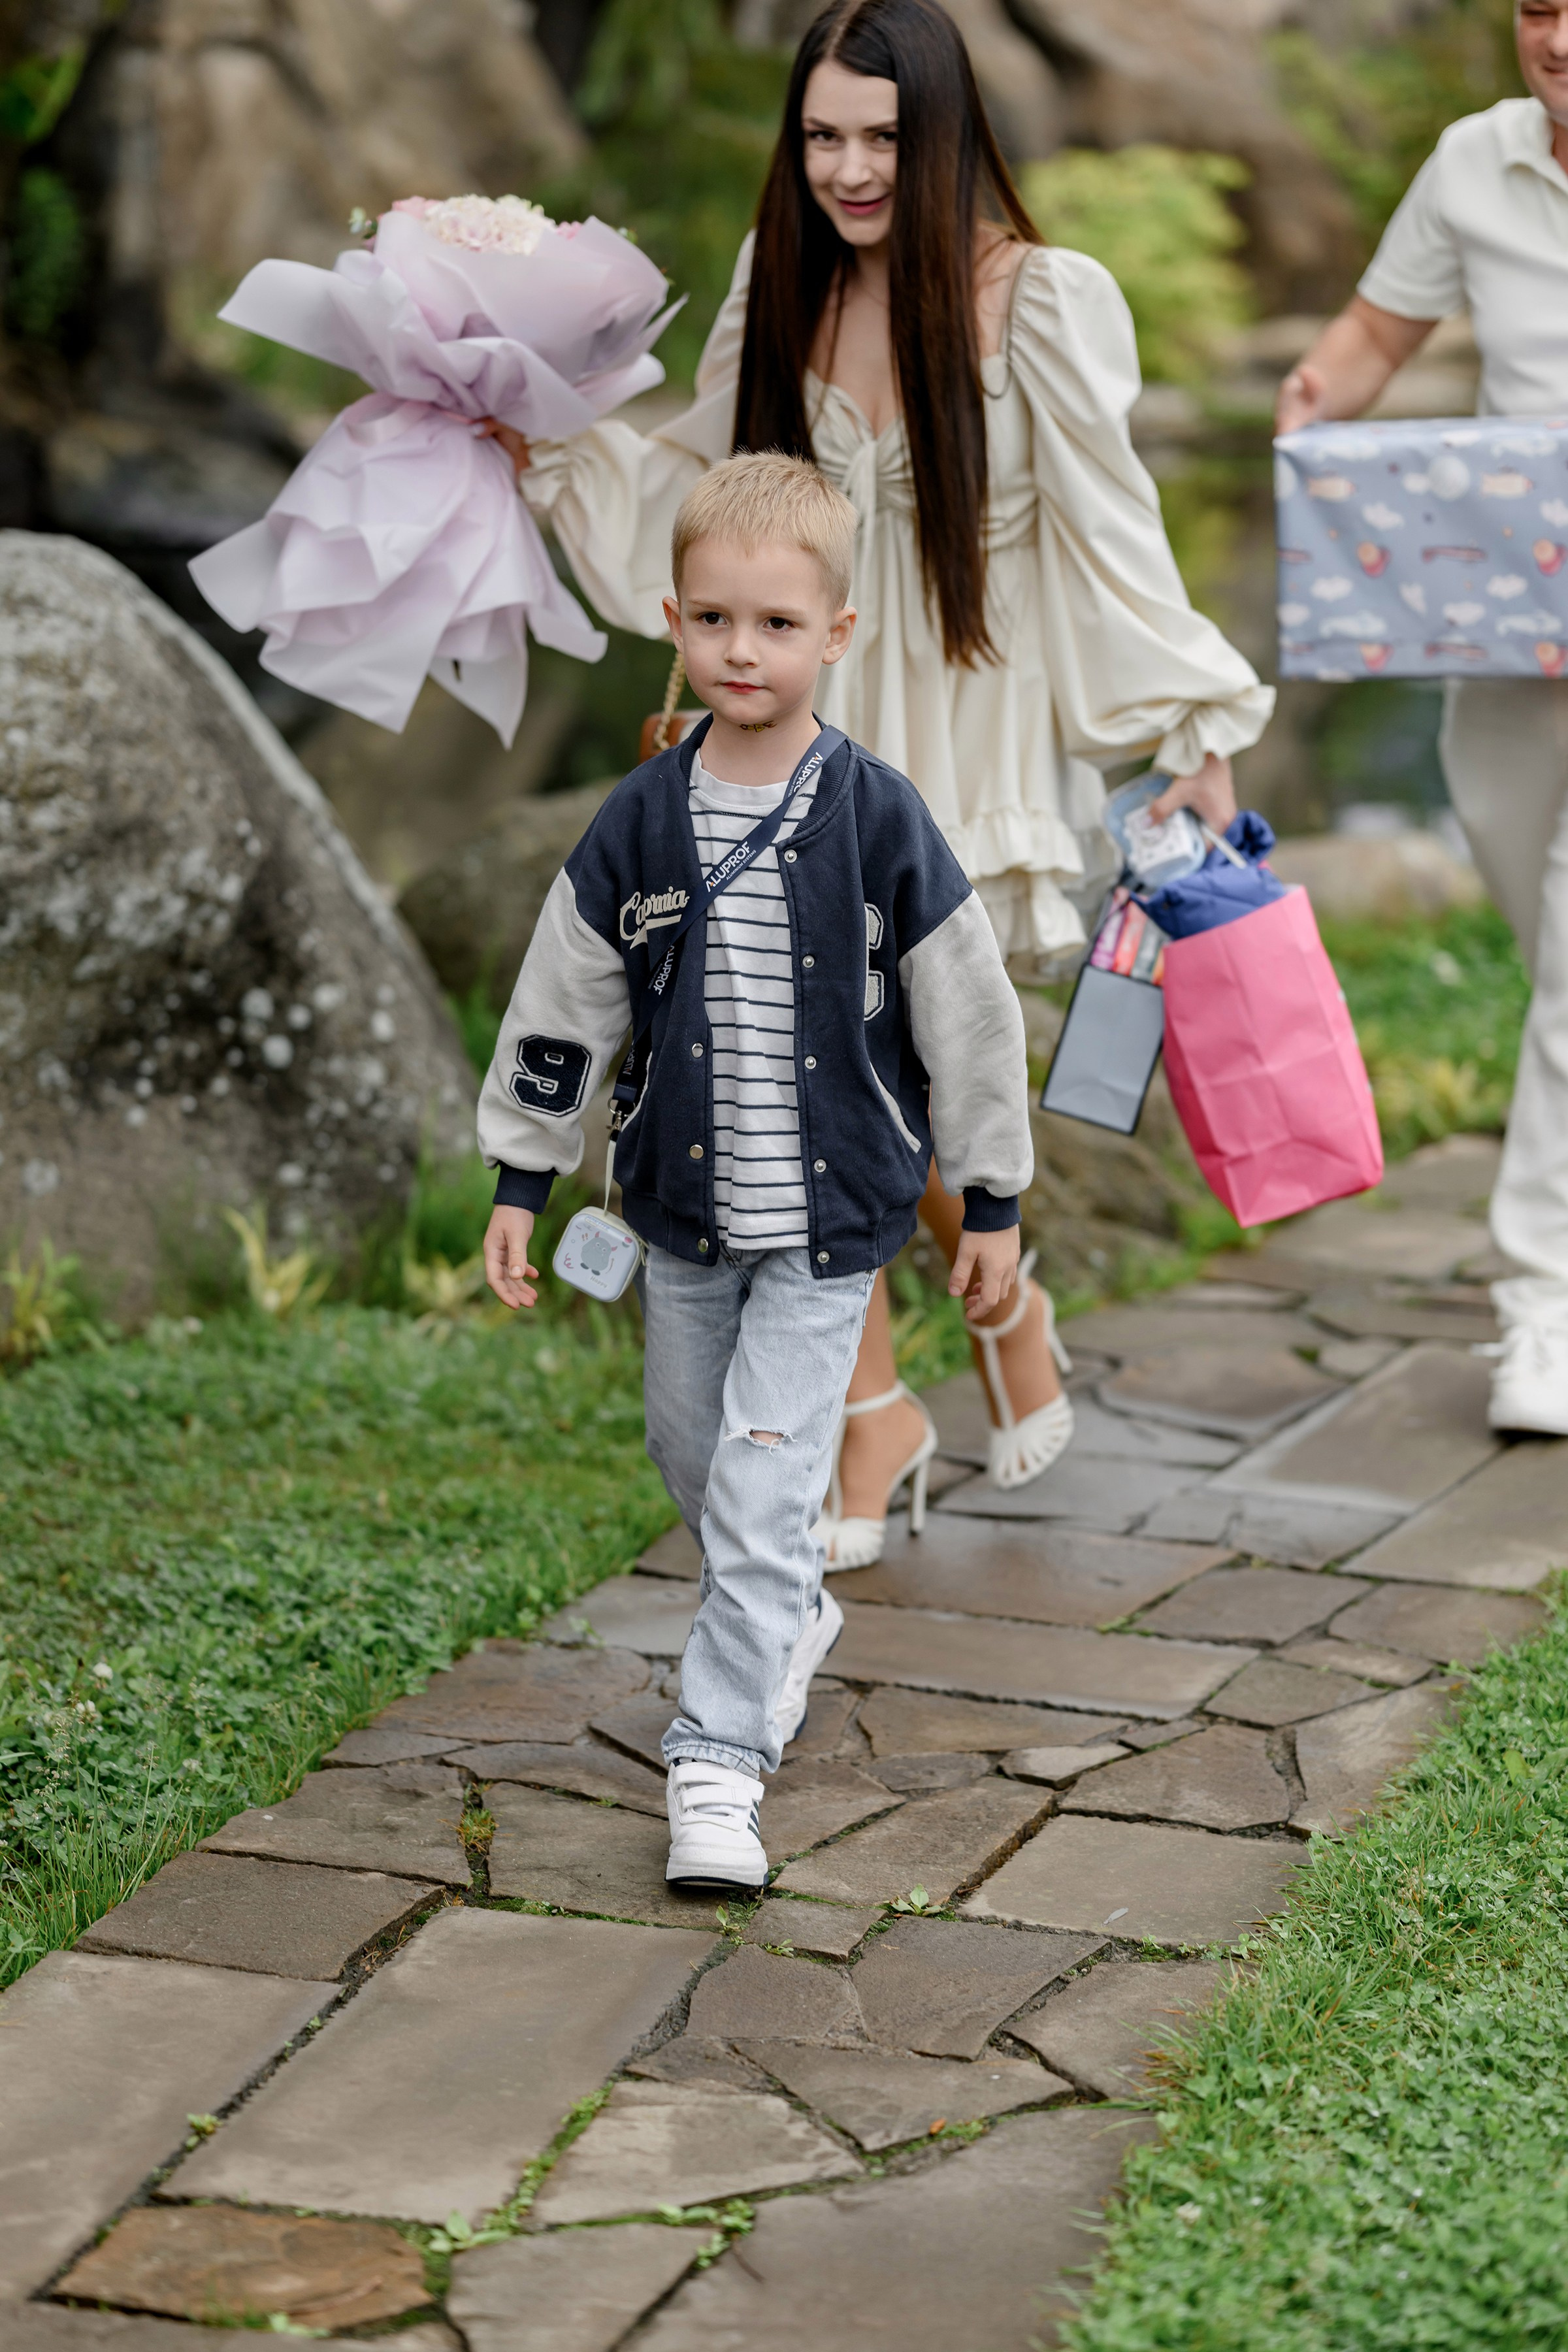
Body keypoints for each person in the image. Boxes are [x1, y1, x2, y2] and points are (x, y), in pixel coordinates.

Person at [484, 0, 1271, 1558]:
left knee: (893, 1075)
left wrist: (1198, 726)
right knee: (807, 1060)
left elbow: (1116, 532)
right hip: (798, 743)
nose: (848, 168)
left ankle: (978, 1325)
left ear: (950, 135)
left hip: (963, 734)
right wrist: (547, 443)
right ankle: (880, 1411)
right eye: (821, 134)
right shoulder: (779, 293)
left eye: (883, 138)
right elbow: (700, 503)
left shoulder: (1044, 301)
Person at [478, 452, 1032, 1889]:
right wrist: (522, 1179)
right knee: (695, 1455)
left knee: (768, 1477)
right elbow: (561, 1007)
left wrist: (992, 1196)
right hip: (680, 1221)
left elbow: (967, 1014)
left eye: (778, 625)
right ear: (675, 620)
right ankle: (783, 1616)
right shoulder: (637, 824)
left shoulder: (882, 819)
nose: (744, 649)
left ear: (836, 636)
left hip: (830, 1226)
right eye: (716, 620)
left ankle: (717, 1765)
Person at [1276, 0, 1568, 1435]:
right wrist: (1315, 407)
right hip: (1509, 634)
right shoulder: (1476, 161)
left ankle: (1542, 1315)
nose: (1560, 38)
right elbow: (1378, 331)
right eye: (1539, 7)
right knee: (1539, 926)